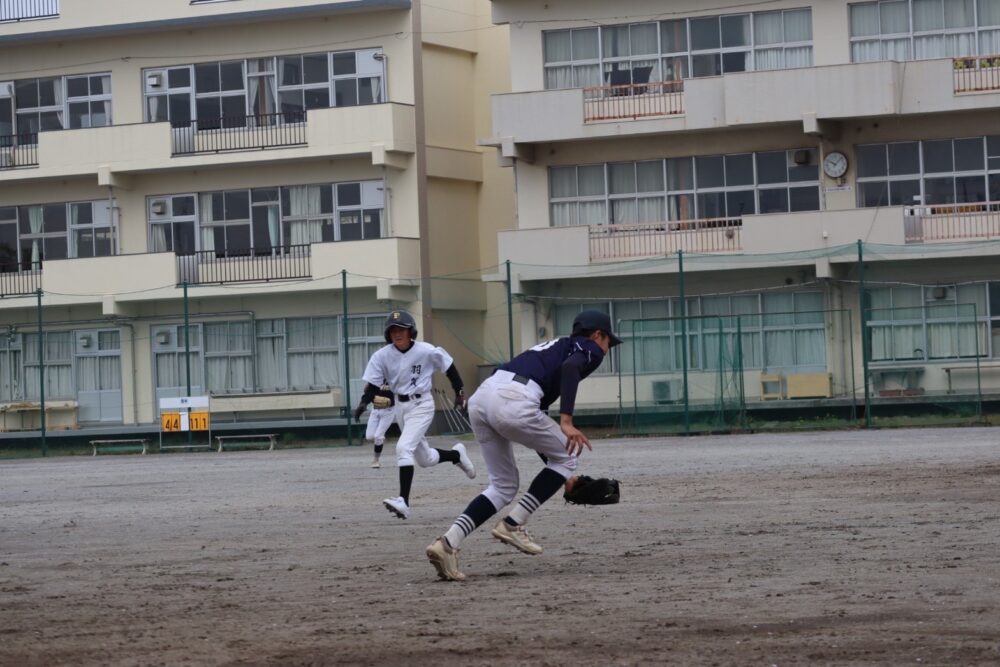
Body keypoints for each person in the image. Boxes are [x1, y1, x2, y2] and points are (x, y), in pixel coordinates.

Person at [426, 310, 622, 581]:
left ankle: (447, 543)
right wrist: (567, 420)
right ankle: (513, 524)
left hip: (483, 397)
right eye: (608, 342)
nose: (606, 349)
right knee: (567, 456)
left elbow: (539, 431)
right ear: (597, 334)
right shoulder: (587, 347)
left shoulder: (552, 349)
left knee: (503, 485)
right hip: (513, 397)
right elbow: (571, 369)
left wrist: (565, 476)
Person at [361, 309, 476, 520]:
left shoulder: (426, 351)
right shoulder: (382, 356)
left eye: (402, 329)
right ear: (388, 334)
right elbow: (373, 385)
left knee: (403, 448)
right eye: (393, 330)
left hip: (422, 404)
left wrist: (459, 394)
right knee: (425, 459)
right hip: (400, 408)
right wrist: (363, 404)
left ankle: (403, 501)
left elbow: (449, 368)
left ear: (410, 331)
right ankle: (456, 455)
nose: (397, 333)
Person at [353, 382, 396, 468]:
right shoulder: (374, 381)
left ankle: (376, 460)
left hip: (389, 411)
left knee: (378, 436)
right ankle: (380, 439)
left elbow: (397, 394)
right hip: (375, 410)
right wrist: (362, 405)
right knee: (369, 436)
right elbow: (368, 395)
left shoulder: (392, 377)